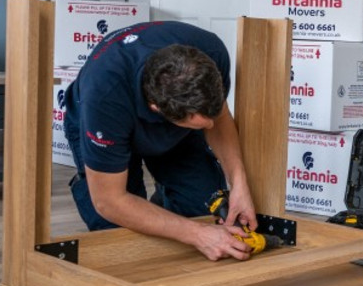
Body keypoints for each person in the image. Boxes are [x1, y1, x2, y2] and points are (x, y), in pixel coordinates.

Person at [62, 20, 258, 261]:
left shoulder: (211, 53)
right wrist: (198, 234)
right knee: (120, 240)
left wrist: (239, 185)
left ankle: (163, 206)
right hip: (110, 121)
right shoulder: (104, 99)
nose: (210, 127)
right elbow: (109, 201)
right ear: (158, 110)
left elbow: (220, 118)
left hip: (176, 126)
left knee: (202, 210)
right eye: (201, 124)